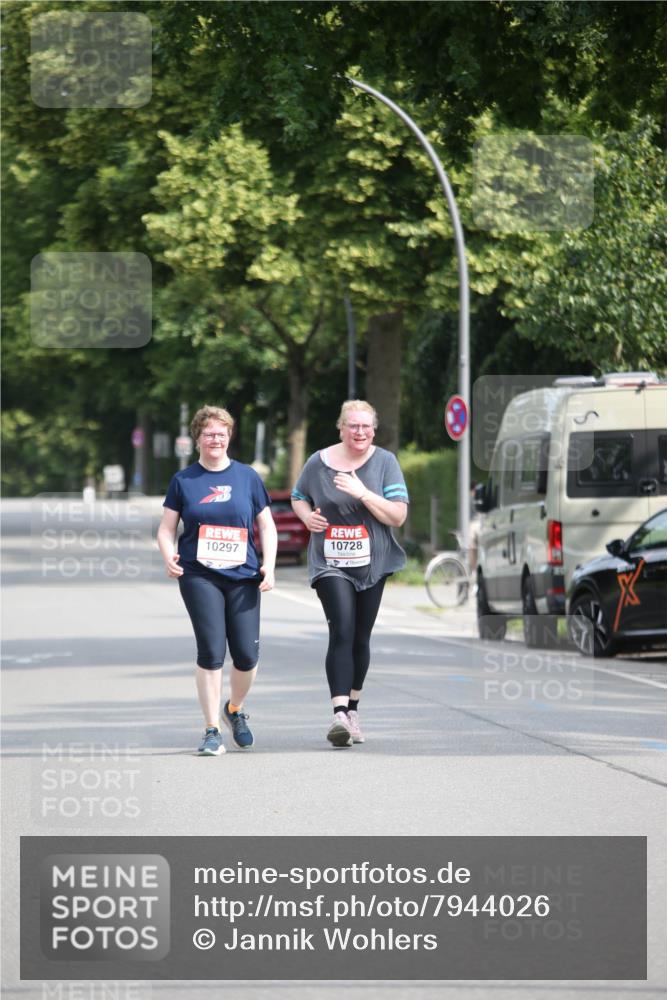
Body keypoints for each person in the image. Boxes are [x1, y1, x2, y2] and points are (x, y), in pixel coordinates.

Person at [157, 405, 277, 756]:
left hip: (243, 576)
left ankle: (234, 709)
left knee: (246, 655)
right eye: (209, 433)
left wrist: (269, 566)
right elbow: (166, 529)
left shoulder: (247, 477)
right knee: (211, 651)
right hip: (199, 575)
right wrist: (168, 555)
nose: (215, 439)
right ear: (197, 438)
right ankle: (211, 730)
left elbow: (267, 525)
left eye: (221, 433)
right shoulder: (184, 481)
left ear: (229, 436)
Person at [291, 400, 409, 748]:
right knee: (342, 628)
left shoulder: (385, 462)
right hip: (329, 562)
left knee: (360, 636)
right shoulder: (319, 462)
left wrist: (364, 493)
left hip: (373, 563)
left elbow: (397, 516)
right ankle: (339, 714)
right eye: (353, 426)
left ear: (374, 430)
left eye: (366, 426)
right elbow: (298, 496)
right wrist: (306, 516)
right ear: (341, 428)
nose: (360, 432)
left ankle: (353, 709)